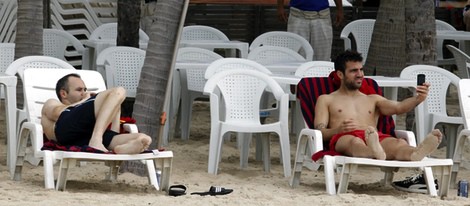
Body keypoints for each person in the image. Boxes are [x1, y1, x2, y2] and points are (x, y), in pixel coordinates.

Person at [313, 50, 442, 162]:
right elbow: (319, 131)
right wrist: (338, 130)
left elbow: (399, 107)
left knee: (398, 143)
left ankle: (414, 153)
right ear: (340, 74)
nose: (360, 74)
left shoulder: (372, 99)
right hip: (344, 137)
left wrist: (418, 99)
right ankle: (372, 152)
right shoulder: (326, 99)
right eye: (353, 71)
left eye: (361, 70)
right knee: (354, 142)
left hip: (374, 138)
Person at [41, 73, 151, 154]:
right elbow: (58, 114)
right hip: (64, 131)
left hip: (85, 136)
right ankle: (96, 139)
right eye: (79, 90)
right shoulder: (51, 102)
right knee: (119, 91)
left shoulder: (84, 110)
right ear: (64, 93)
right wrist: (87, 100)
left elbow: (113, 130)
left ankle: (121, 148)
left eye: (85, 90)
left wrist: (113, 106)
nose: (84, 93)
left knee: (144, 139)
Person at [277, 0, 344, 61]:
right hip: (297, 15)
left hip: (321, 16)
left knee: (322, 59)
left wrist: (340, 9)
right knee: (296, 58)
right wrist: (280, 7)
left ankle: (321, 74)